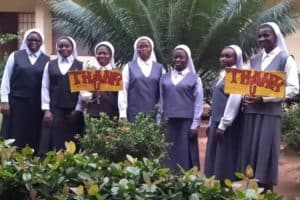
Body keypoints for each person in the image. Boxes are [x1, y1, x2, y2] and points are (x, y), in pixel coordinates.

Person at [238, 22, 299, 191]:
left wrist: (264, 99)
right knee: (250, 152)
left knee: (265, 151)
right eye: (259, 36)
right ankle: (249, 190)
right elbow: (245, 85)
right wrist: (246, 96)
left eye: (266, 35)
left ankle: (266, 190)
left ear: (276, 37)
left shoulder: (286, 59)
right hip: (251, 114)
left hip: (270, 115)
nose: (262, 39)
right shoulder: (254, 60)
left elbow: (293, 88)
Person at [0, 28, 49, 151]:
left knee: (33, 131)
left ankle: (33, 160)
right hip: (16, 102)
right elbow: (6, 78)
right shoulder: (15, 56)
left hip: (36, 104)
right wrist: (4, 101)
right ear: (26, 41)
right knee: (16, 131)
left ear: (41, 42)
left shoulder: (47, 60)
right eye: (30, 40)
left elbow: (48, 84)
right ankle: (12, 158)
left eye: (37, 40)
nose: (33, 42)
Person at [160, 44, 203, 173]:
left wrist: (195, 124)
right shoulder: (164, 78)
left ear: (187, 59)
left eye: (181, 57)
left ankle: (186, 179)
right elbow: (161, 100)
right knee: (168, 151)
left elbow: (198, 102)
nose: (178, 60)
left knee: (186, 152)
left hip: (186, 122)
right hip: (169, 121)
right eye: (175, 57)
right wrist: (159, 121)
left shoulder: (195, 79)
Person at [39, 36, 84, 155]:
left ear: (72, 47)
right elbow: (45, 87)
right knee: (55, 139)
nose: (63, 48)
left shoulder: (80, 65)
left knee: (72, 140)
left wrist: (78, 110)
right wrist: (46, 110)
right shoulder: (50, 64)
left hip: (73, 111)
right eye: (61, 46)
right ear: (57, 48)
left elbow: (82, 90)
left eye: (67, 46)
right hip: (55, 109)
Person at [204, 45, 243, 181]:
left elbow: (234, 100)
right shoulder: (223, 75)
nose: (223, 59)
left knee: (224, 154)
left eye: (228, 56)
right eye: (222, 56)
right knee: (215, 154)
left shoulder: (236, 75)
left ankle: (225, 184)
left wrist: (223, 125)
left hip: (226, 124)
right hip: (216, 120)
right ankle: (214, 183)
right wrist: (210, 122)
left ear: (236, 58)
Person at [118, 36, 164, 122]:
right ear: (136, 49)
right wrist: (123, 113)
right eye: (140, 47)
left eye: (146, 46)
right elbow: (123, 90)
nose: (143, 49)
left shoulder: (160, 68)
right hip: (133, 113)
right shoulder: (129, 67)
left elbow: (162, 94)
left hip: (153, 114)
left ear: (151, 49)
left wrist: (160, 113)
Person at [80, 41, 119, 119]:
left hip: (112, 113)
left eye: (105, 53)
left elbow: (121, 95)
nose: (101, 56)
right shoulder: (90, 72)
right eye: (99, 53)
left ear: (111, 55)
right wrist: (92, 94)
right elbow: (82, 92)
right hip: (93, 113)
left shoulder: (116, 73)